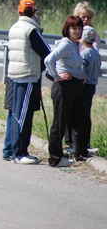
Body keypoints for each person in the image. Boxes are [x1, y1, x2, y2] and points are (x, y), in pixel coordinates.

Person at [2, 0, 51, 164]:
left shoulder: (14, 27)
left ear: (19, 11)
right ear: (34, 13)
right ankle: (19, 153)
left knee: (16, 114)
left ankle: (13, 152)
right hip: (28, 75)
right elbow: (46, 52)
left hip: (15, 75)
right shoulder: (31, 29)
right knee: (23, 115)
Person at [44, 16, 92, 167]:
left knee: (83, 121)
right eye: (74, 28)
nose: (77, 31)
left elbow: (75, 64)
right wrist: (57, 77)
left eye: (79, 29)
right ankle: (55, 158)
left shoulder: (75, 44)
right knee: (59, 123)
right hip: (64, 87)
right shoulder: (65, 44)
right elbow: (48, 60)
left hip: (75, 87)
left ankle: (81, 154)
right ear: (67, 29)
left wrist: (80, 73)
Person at [72, 26, 101, 155]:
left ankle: (79, 145)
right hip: (92, 86)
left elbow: (82, 72)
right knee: (87, 112)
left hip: (84, 86)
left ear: (82, 39)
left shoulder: (84, 54)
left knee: (80, 115)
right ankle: (85, 143)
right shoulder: (96, 53)